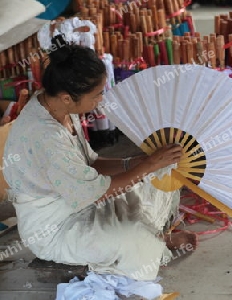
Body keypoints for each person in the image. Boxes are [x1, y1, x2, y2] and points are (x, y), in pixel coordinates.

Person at [2, 35, 197, 281]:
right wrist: (147, 164)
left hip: (80, 199)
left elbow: (90, 163)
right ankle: (153, 244)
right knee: (134, 241)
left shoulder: (59, 107)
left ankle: (155, 239)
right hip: (55, 229)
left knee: (156, 178)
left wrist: (137, 162)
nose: (100, 101)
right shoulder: (44, 137)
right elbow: (97, 191)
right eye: (96, 95)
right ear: (67, 97)